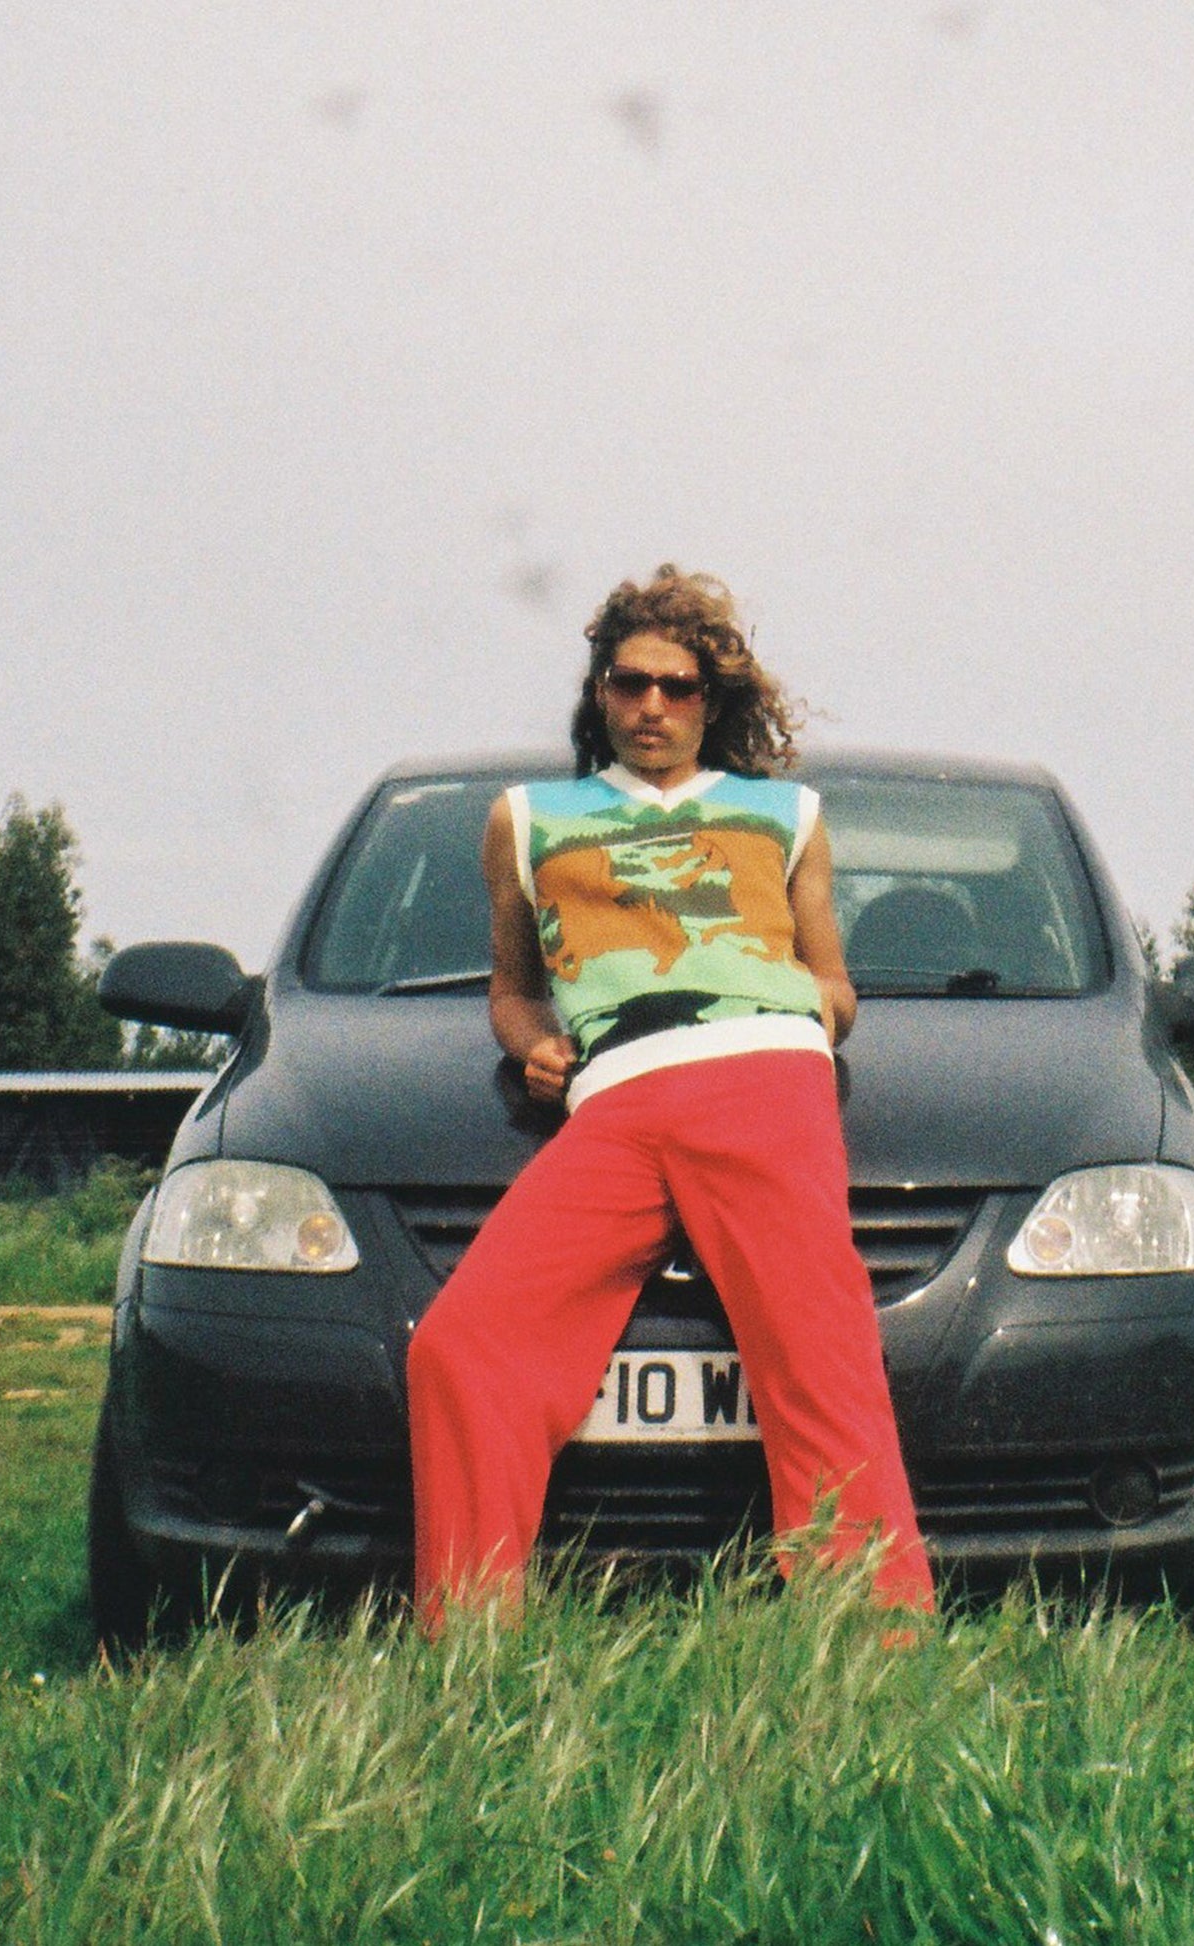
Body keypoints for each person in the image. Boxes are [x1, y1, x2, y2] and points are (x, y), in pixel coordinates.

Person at [406, 565, 934, 1631]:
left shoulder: (786, 814)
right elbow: (512, 989)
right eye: (629, 681)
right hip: (613, 1103)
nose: (652, 705)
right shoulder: (526, 819)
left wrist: (803, 1015)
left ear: (710, 698)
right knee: (462, 1345)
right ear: (599, 691)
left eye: (677, 685)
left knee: (819, 1361)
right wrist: (534, 1046)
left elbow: (836, 986)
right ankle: (468, 1636)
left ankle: (868, 1640)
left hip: (761, 1080)